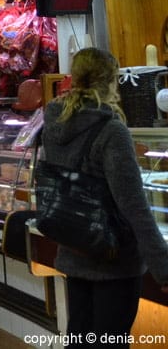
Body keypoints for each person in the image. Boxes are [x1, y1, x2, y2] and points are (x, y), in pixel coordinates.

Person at [41, 48, 168, 342]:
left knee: (81, 338)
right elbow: (133, 205)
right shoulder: (111, 131)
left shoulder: (55, 122)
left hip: (74, 248)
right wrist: (163, 268)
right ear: (112, 81)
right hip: (114, 259)